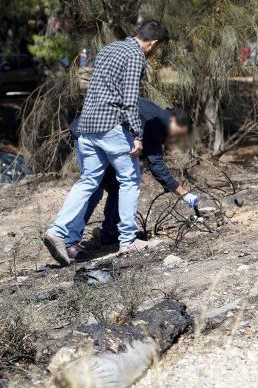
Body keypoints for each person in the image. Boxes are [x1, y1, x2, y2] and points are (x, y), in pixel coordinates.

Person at [43, 20, 169, 267]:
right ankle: (127, 240)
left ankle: (57, 231)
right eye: (158, 48)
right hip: (110, 126)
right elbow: (129, 100)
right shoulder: (136, 57)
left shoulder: (110, 48)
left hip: (86, 126)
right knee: (130, 179)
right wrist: (137, 134)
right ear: (153, 43)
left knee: (89, 180)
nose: (156, 52)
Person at [69, 98, 197, 250]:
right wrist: (183, 193)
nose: (174, 139)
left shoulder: (156, 114)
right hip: (88, 133)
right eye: (178, 134)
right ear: (174, 121)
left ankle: (110, 234)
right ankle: (68, 241)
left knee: (117, 185)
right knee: (93, 189)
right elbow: (156, 164)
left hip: (100, 134)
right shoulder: (156, 122)